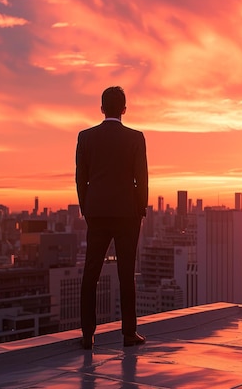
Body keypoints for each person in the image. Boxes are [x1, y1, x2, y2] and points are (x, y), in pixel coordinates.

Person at [76, 86, 148, 350]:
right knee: (126, 273)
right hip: (128, 213)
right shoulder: (135, 138)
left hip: (96, 212)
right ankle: (129, 333)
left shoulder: (85, 137)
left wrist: (87, 208)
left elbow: (80, 178)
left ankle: (87, 335)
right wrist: (140, 209)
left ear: (102, 108)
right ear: (124, 109)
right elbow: (141, 178)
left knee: (90, 273)